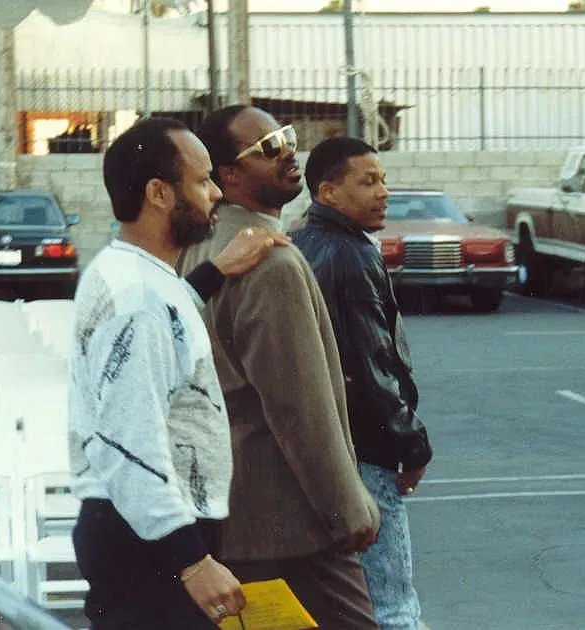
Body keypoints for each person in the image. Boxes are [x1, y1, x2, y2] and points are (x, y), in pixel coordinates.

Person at [69, 116, 289, 628]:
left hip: (146, 531)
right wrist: (190, 562)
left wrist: (213, 273)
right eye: (202, 180)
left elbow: (163, 335)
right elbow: (128, 439)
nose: (215, 192)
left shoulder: (136, 276)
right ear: (159, 194)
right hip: (149, 542)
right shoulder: (137, 300)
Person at [178, 105, 381, 628]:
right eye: (267, 148)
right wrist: (348, 510)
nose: (289, 152)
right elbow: (300, 410)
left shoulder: (204, 247)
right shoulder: (271, 262)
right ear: (229, 175)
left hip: (232, 516)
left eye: (286, 137)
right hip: (294, 525)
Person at [291, 137, 433, 630]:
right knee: (392, 603)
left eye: (384, 180)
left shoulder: (301, 242)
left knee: (345, 597)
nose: (383, 192)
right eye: (368, 181)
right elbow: (372, 366)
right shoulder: (351, 255)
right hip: (368, 453)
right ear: (329, 192)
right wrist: (411, 446)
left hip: (325, 450)